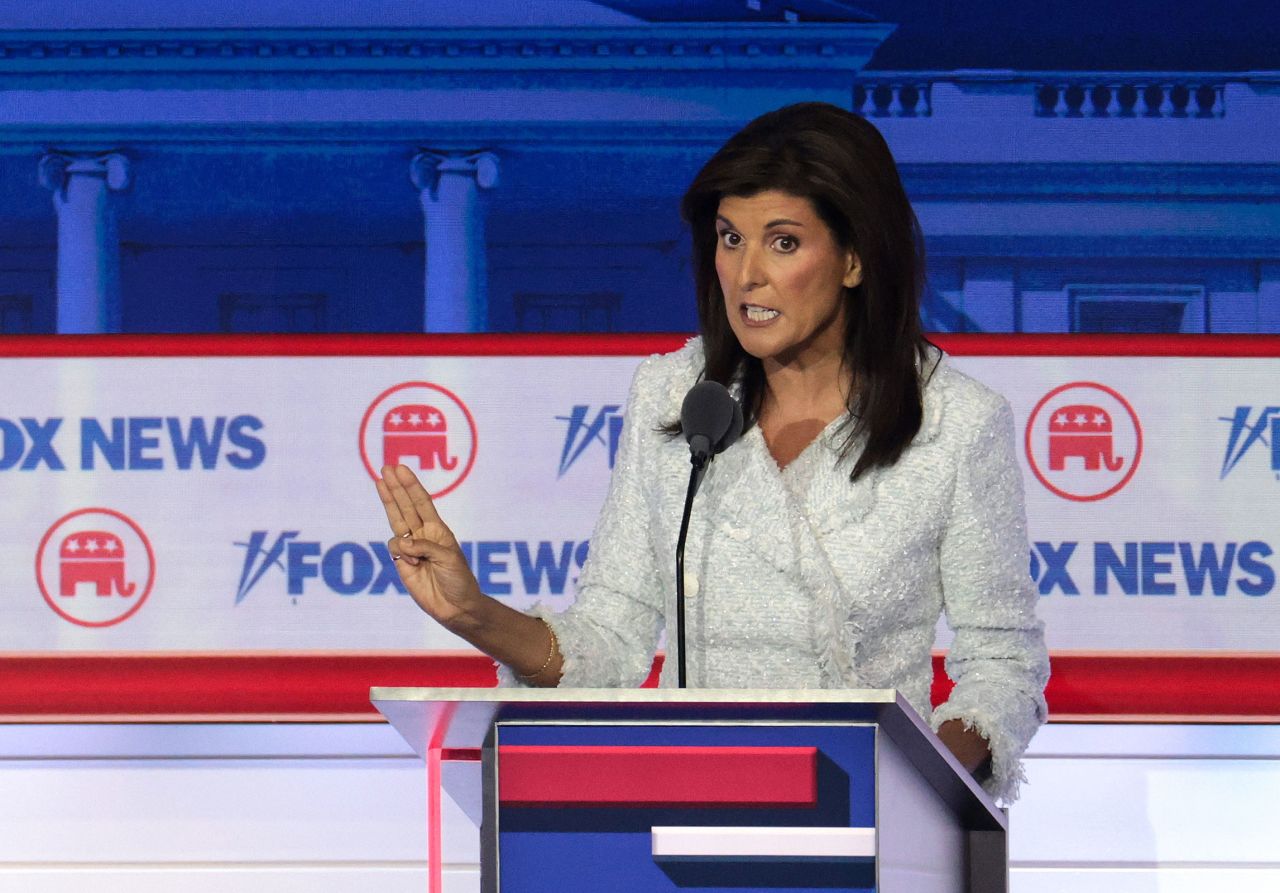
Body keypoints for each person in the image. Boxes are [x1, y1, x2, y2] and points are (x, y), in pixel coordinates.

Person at [376, 102, 1049, 803]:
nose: (746, 275)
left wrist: (919, 786)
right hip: (682, 812)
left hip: (868, 820)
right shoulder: (674, 394)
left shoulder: (956, 422)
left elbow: (1004, 664)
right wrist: (474, 614)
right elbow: (609, 639)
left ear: (854, 257)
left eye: (783, 243)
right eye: (731, 239)